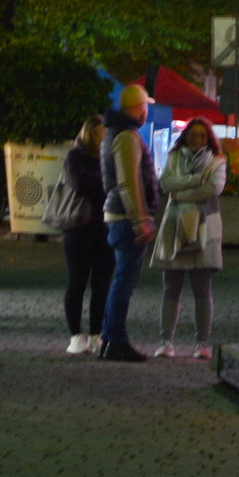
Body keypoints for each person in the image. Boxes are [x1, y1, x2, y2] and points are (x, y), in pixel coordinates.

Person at [151, 117, 228, 359]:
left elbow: (213, 189)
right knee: (170, 288)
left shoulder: (217, 161)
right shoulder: (174, 157)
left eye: (202, 136)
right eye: (193, 136)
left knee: (202, 290)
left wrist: (180, 194)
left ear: (209, 139)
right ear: (185, 137)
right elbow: (165, 183)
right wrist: (194, 180)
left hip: (205, 227)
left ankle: (202, 344)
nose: (197, 140)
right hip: (175, 226)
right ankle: (166, 342)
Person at [99, 85, 159, 362]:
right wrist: (141, 220)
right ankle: (115, 339)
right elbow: (129, 181)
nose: (147, 111)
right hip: (125, 217)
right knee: (124, 280)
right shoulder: (126, 136)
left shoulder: (113, 132)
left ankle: (110, 339)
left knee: (121, 279)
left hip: (118, 216)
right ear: (140, 108)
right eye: (146, 106)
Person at [61, 117, 114, 355]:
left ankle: (96, 334)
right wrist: (106, 182)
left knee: (102, 284)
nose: (103, 137)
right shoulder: (75, 156)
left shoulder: (110, 156)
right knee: (77, 282)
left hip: (106, 226)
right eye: (98, 132)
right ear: (88, 133)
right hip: (78, 226)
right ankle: (75, 336)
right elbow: (80, 183)